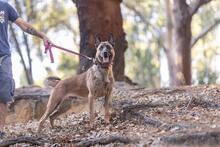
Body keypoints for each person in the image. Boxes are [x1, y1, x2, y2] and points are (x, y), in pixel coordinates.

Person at [0, 0, 51, 135]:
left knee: (3, 95)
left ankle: (0, 131)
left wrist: (42, 35)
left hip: (3, 57)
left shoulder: (4, 6)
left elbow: (23, 25)